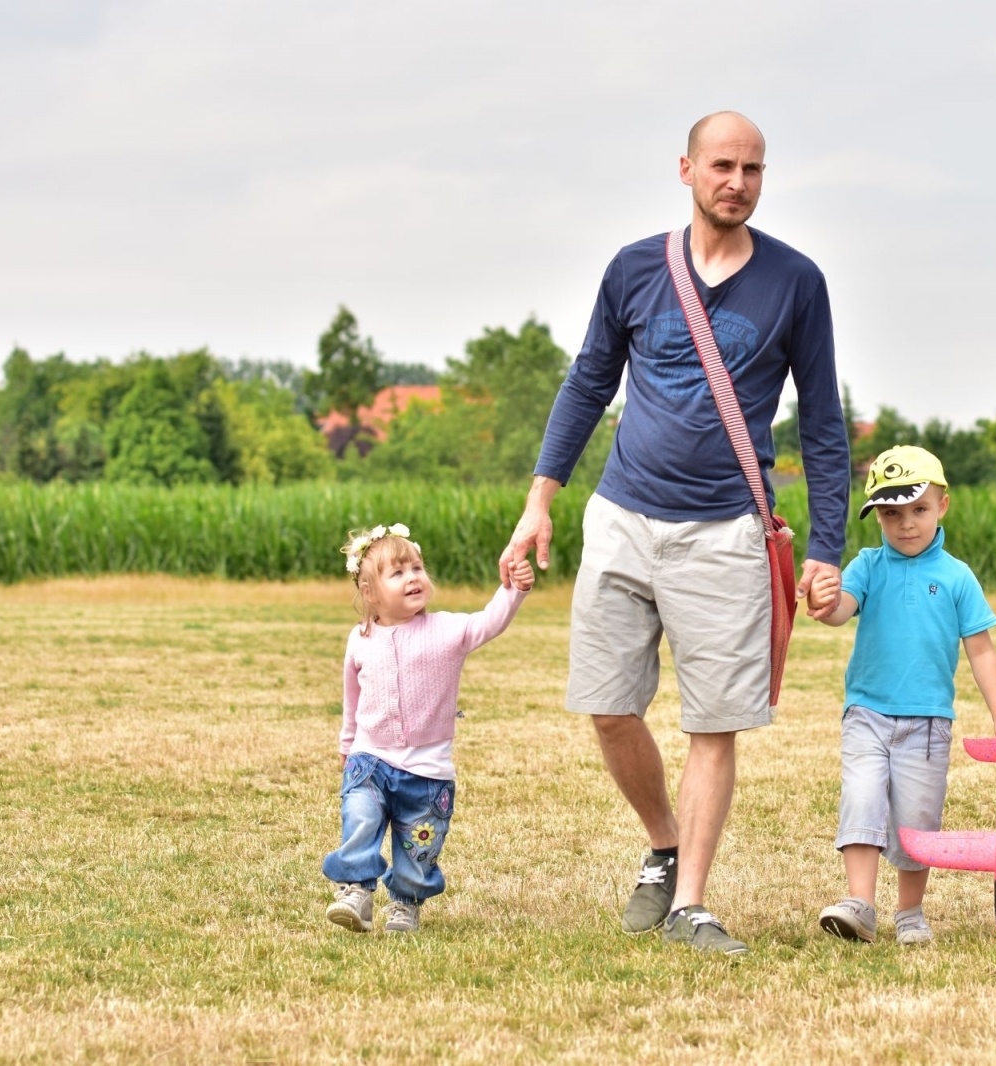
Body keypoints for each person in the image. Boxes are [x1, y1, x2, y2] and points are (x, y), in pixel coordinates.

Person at [498, 111, 851, 955]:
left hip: (728, 531)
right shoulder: (633, 270)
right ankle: (662, 841)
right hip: (622, 517)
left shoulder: (797, 282)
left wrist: (829, 548)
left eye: (754, 169)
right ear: (686, 169)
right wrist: (538, 501)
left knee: (713, 723)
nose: (738, 181)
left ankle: (691, 901)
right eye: (723, 165)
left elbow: (824, 427)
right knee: (609, 706)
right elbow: (587, 384)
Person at [808, 446, 996, 945]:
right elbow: (843, 608)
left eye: (918, 510)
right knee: (860, 800)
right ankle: (860, 905)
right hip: (866, 712)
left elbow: (982, 651)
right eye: (891, 513)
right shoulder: (867, 565)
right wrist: (825, 599)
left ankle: (909, 912)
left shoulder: (956, 577)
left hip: (928, 723)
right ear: (877, 516)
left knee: (917, 820)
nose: (906, 524)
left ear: (942, 505)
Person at [323, 523, 533, 933]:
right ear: (370, 593)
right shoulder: (360, 638)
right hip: (370, 760)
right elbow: (353, 698)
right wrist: (347, 744)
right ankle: (356, 892)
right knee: (361, 819)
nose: (413, 577)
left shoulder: (447, 630)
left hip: (427, 771)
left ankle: (405, 904)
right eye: (397, 573)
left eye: (416, 567)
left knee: (419, 846)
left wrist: (514, 589)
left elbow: (489, 622)